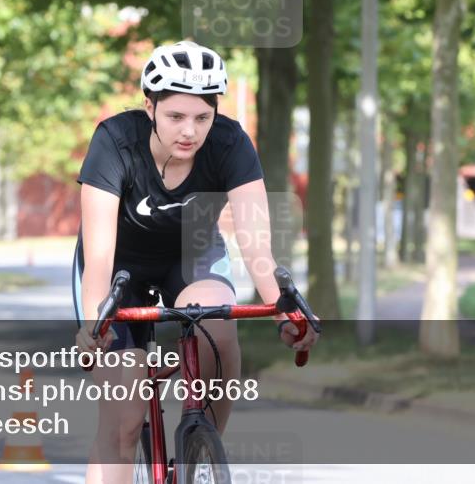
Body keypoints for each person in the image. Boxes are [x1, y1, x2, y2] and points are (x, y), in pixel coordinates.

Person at [72, 40, 319, 484]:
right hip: (119, 270)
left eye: (203, 117)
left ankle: (201, 455)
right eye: (175, 116)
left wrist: (285, 312)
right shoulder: (114, 142)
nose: (190, 131)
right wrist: (94, 322)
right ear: (149, 107)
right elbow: (100, 257)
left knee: (220, 328)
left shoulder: (229, 143)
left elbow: (256, 247)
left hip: (191, 256)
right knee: (123, 424)